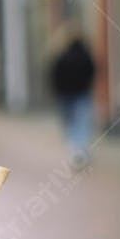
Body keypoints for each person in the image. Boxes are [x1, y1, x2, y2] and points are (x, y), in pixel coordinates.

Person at [48, 21, 95, 168]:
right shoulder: (85, 53)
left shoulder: (60, 54)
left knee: (69, 124)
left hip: (65, 96)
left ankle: (74, 150)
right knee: (81, 123)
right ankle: (80, 150)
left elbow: (53, 74)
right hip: (82, 94)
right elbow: (92, 71)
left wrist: (56, 91)